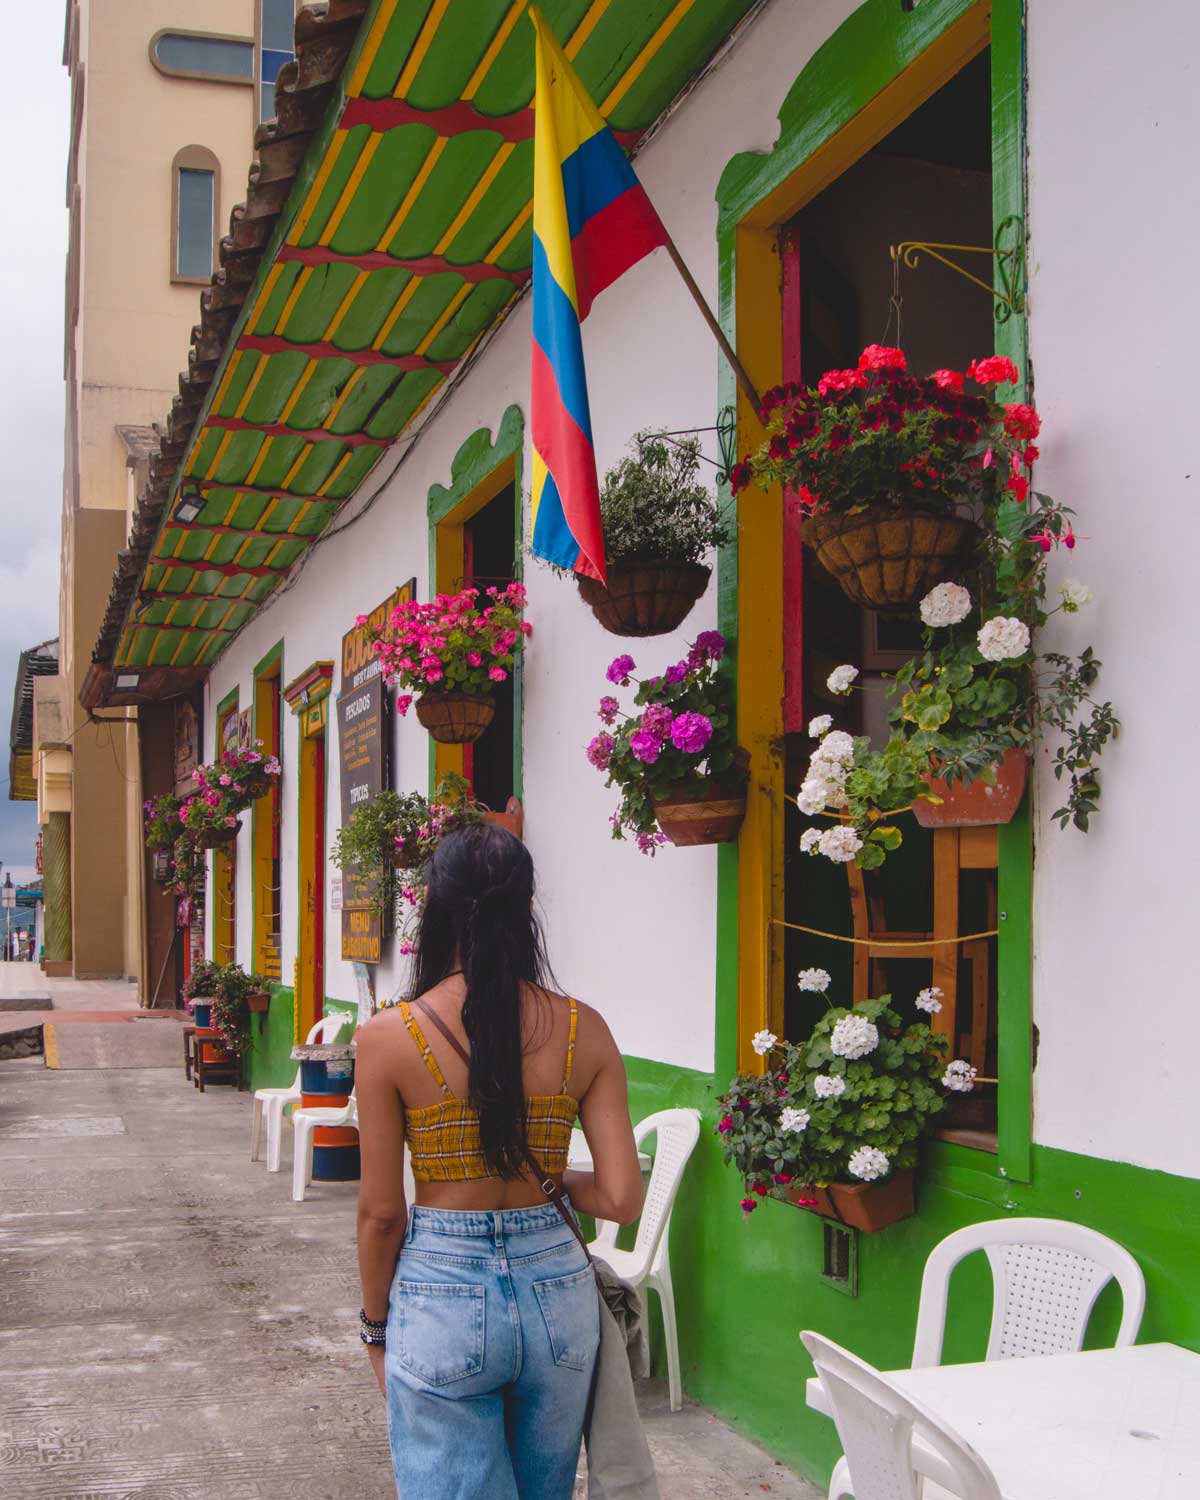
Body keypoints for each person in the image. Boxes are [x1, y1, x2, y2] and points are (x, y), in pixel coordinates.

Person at [355, 824, 645, 1500]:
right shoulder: (585, 1029)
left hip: (442, 1293)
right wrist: (559, 1184)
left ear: (436, 909)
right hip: (559, 1297)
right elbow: (622, 1199)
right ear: (526, 911)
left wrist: (374, 1326)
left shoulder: (388, 1038)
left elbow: (380, 1215)